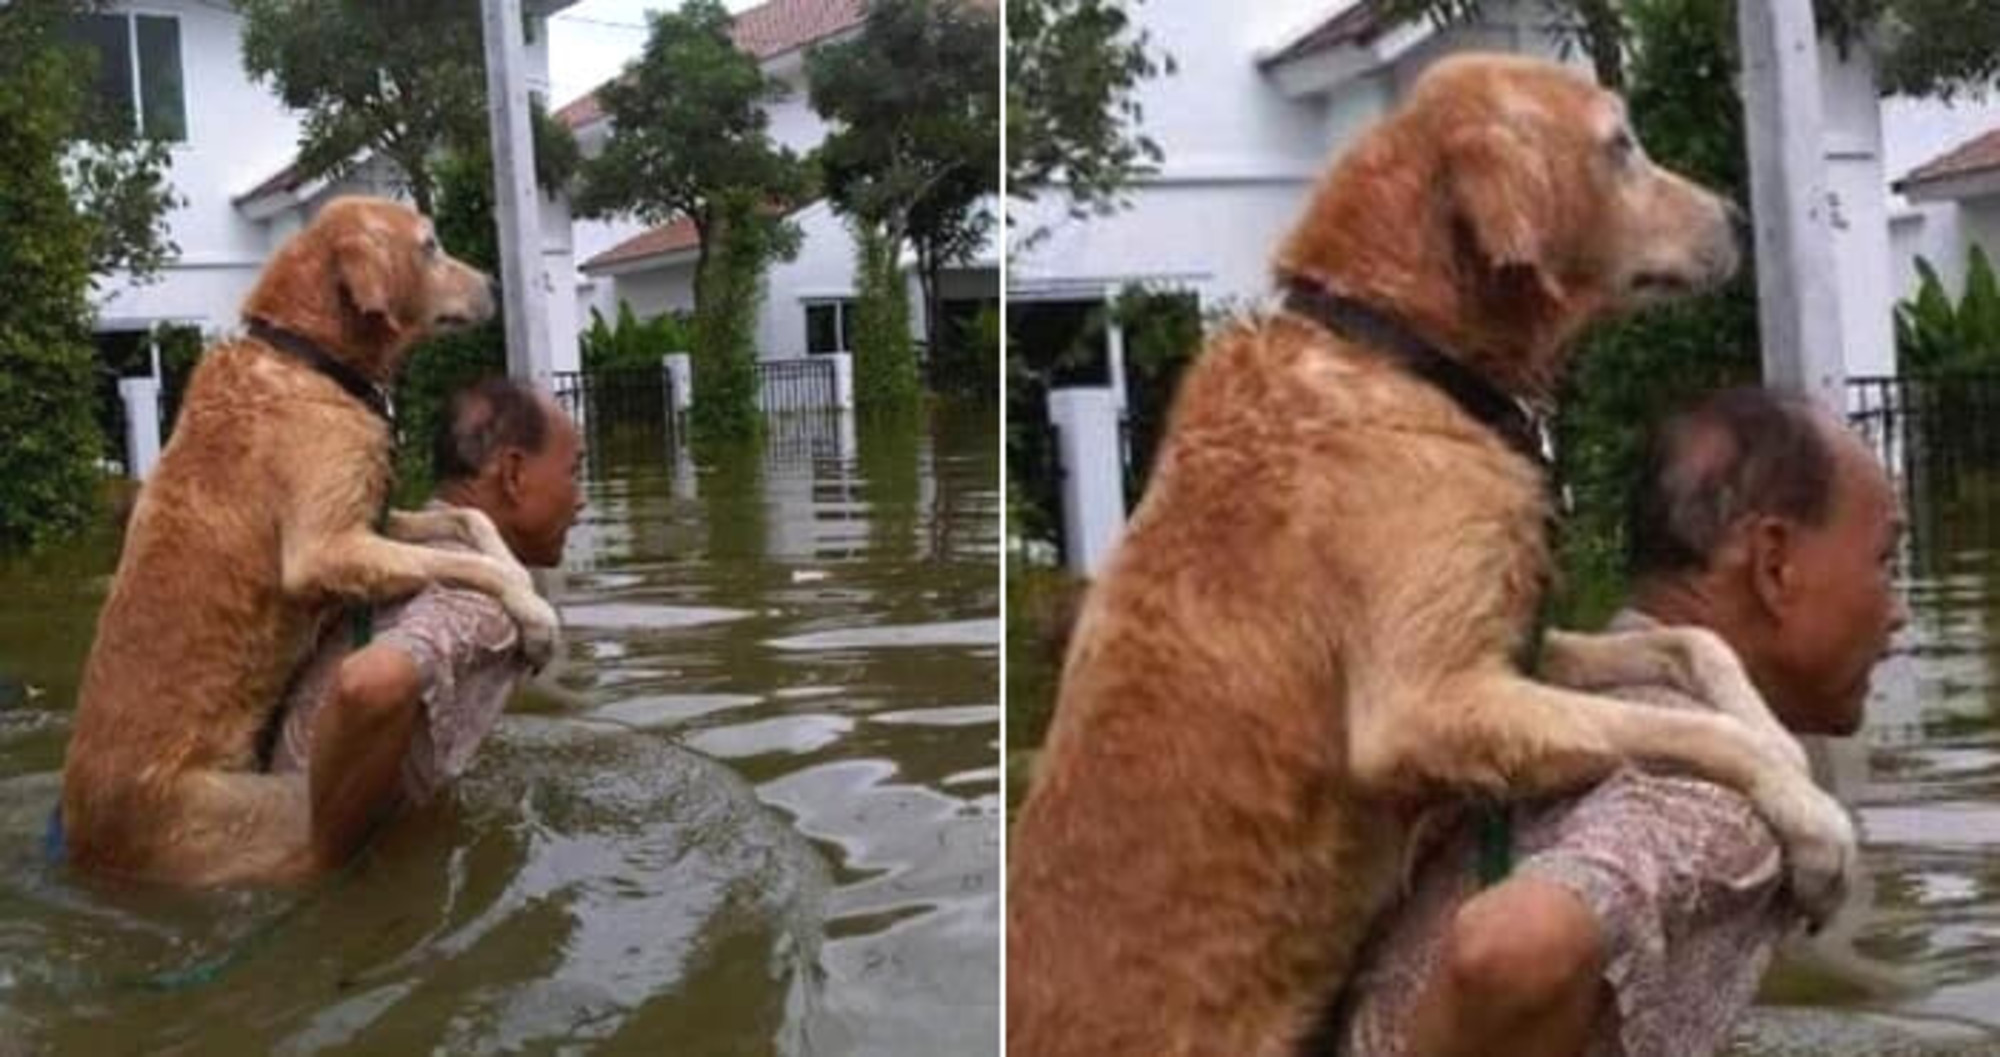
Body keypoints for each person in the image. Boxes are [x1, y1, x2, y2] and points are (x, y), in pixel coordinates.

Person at [1332, 386, 1907, 1057]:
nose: (1898, 611)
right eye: (1884, 561)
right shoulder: (1718, 807)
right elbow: (1512, 953)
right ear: (1774, 564)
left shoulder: (1534, 705)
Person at [266, 376, 585, 872]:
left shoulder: (391, 551)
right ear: (514, 475)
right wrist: (321, 863)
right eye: (574, 472)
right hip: (278, 868)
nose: (581, 500)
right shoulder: (484, 604)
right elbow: (369, 686)